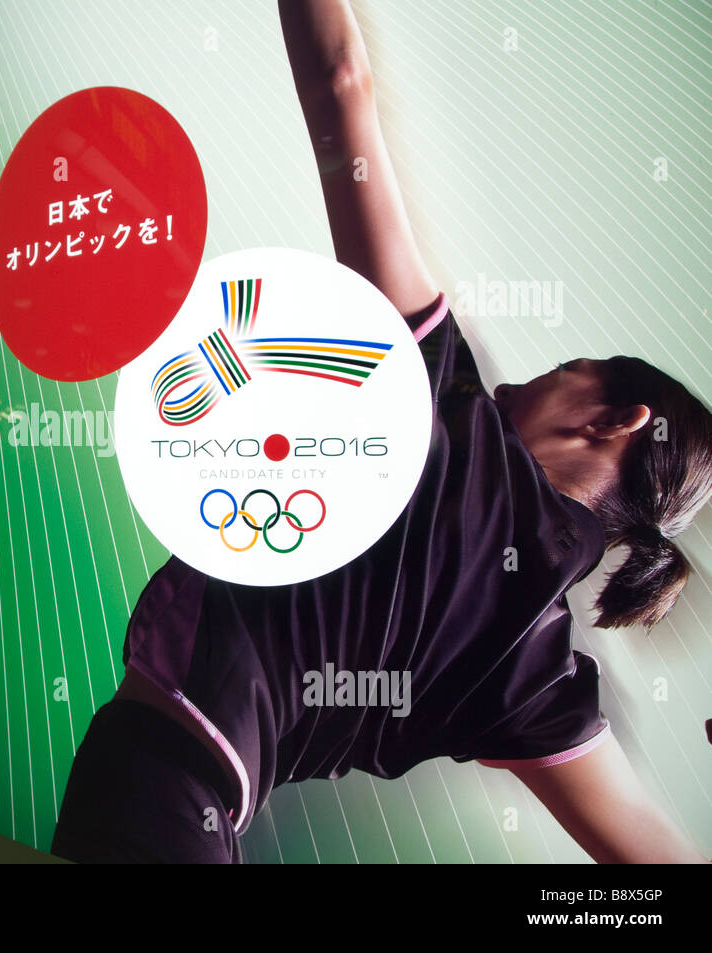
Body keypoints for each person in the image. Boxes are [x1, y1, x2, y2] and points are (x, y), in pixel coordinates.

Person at [50, 0, 712, 864]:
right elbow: (654, 864)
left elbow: (340, 82)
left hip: (155, 783)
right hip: (201, 810)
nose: (525, 376)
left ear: (617, 417)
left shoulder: (446, 409)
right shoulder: (538, 673)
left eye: (566, 366)